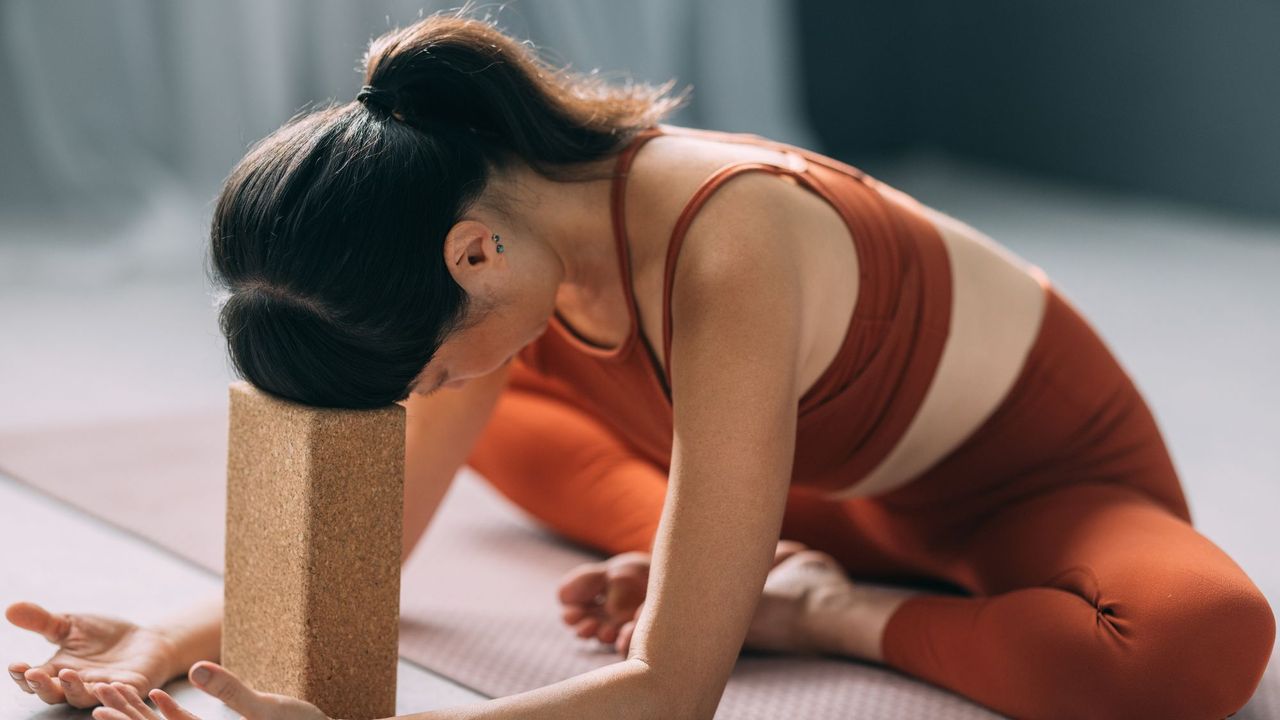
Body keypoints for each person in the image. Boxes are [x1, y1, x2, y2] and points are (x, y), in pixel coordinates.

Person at [7, 6, 1275, 720]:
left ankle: (810, 601)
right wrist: (168, 635)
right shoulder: (508, 239)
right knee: (497, 421)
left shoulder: (732, 234)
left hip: (1012, 492)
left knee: (1194, 644)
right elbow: (369, 534)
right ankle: (734, 554)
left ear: (469, 253)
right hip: (791, 479)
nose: (435, 387)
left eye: (434, 364)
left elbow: (669, 695)